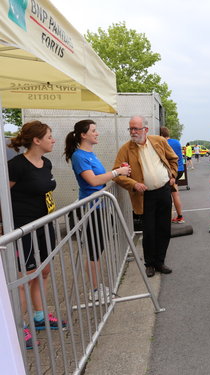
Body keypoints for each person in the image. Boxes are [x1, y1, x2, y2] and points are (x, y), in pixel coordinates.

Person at [8, 121, 65, 349]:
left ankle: (40, 317)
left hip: (45, 226)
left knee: (44, 271)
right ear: (36, 140)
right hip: (24, 230)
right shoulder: (17, 165)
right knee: (26, 276)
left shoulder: (46, 162)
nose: (53, 140)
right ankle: (18, 328)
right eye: (50, 136)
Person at [64, 119, 131, 303]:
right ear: (83, 135)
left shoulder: (90, 154)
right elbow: (93, 181)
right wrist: (118, 173)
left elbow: (100, 178)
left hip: (100, 207)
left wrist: (118, 170)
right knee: (94, 251)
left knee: (98, 249)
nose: (97, 133)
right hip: (91, 209)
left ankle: (97, 286)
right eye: (93, 130)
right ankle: (94, 290)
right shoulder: (79, 156)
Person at [113, 116, 178, 277]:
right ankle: (149, 263)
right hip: (144, 196)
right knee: (149, 232)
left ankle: (160, 262)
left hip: (163, 191)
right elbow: (117, 174)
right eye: (131, 129)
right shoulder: (126, 149)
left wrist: (173, 175)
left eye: (136, 128)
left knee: (164, 229)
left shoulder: (159, 141)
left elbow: (173, 159)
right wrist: (134, 184)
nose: (133, 132)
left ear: (146, 130)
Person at [159, 126, 185, 223]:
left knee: (170, 195)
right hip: (180, 169)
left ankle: (172, 218)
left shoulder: (163, 143)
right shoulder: (176, 142)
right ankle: (179, 216)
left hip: (171, 171)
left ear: (161, 135)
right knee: (175, 194)